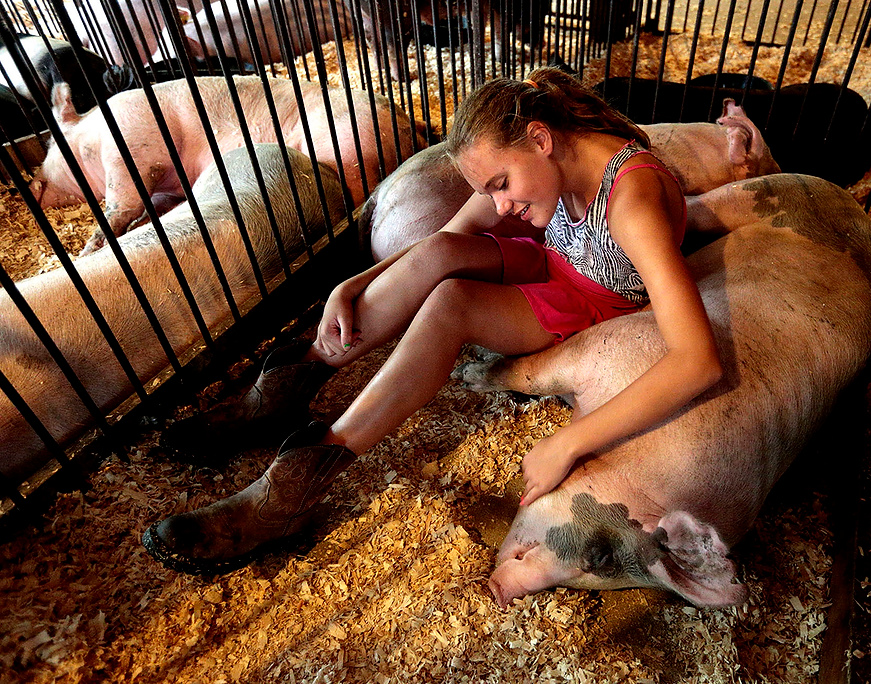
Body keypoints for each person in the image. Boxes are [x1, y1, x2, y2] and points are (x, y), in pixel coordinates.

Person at [142, 67, 723, 575]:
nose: (499, 205)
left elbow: (697, 360)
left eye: (501, 184)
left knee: (450, 304)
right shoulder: (554, 157)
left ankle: (293, 487)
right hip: (556, 259)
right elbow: (449, 237)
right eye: (489, 190)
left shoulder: (632, 202)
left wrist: (570, 442)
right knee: (439, 255)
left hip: (593, 300)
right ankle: (292, 384)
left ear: (541, 140)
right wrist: (354, 283)